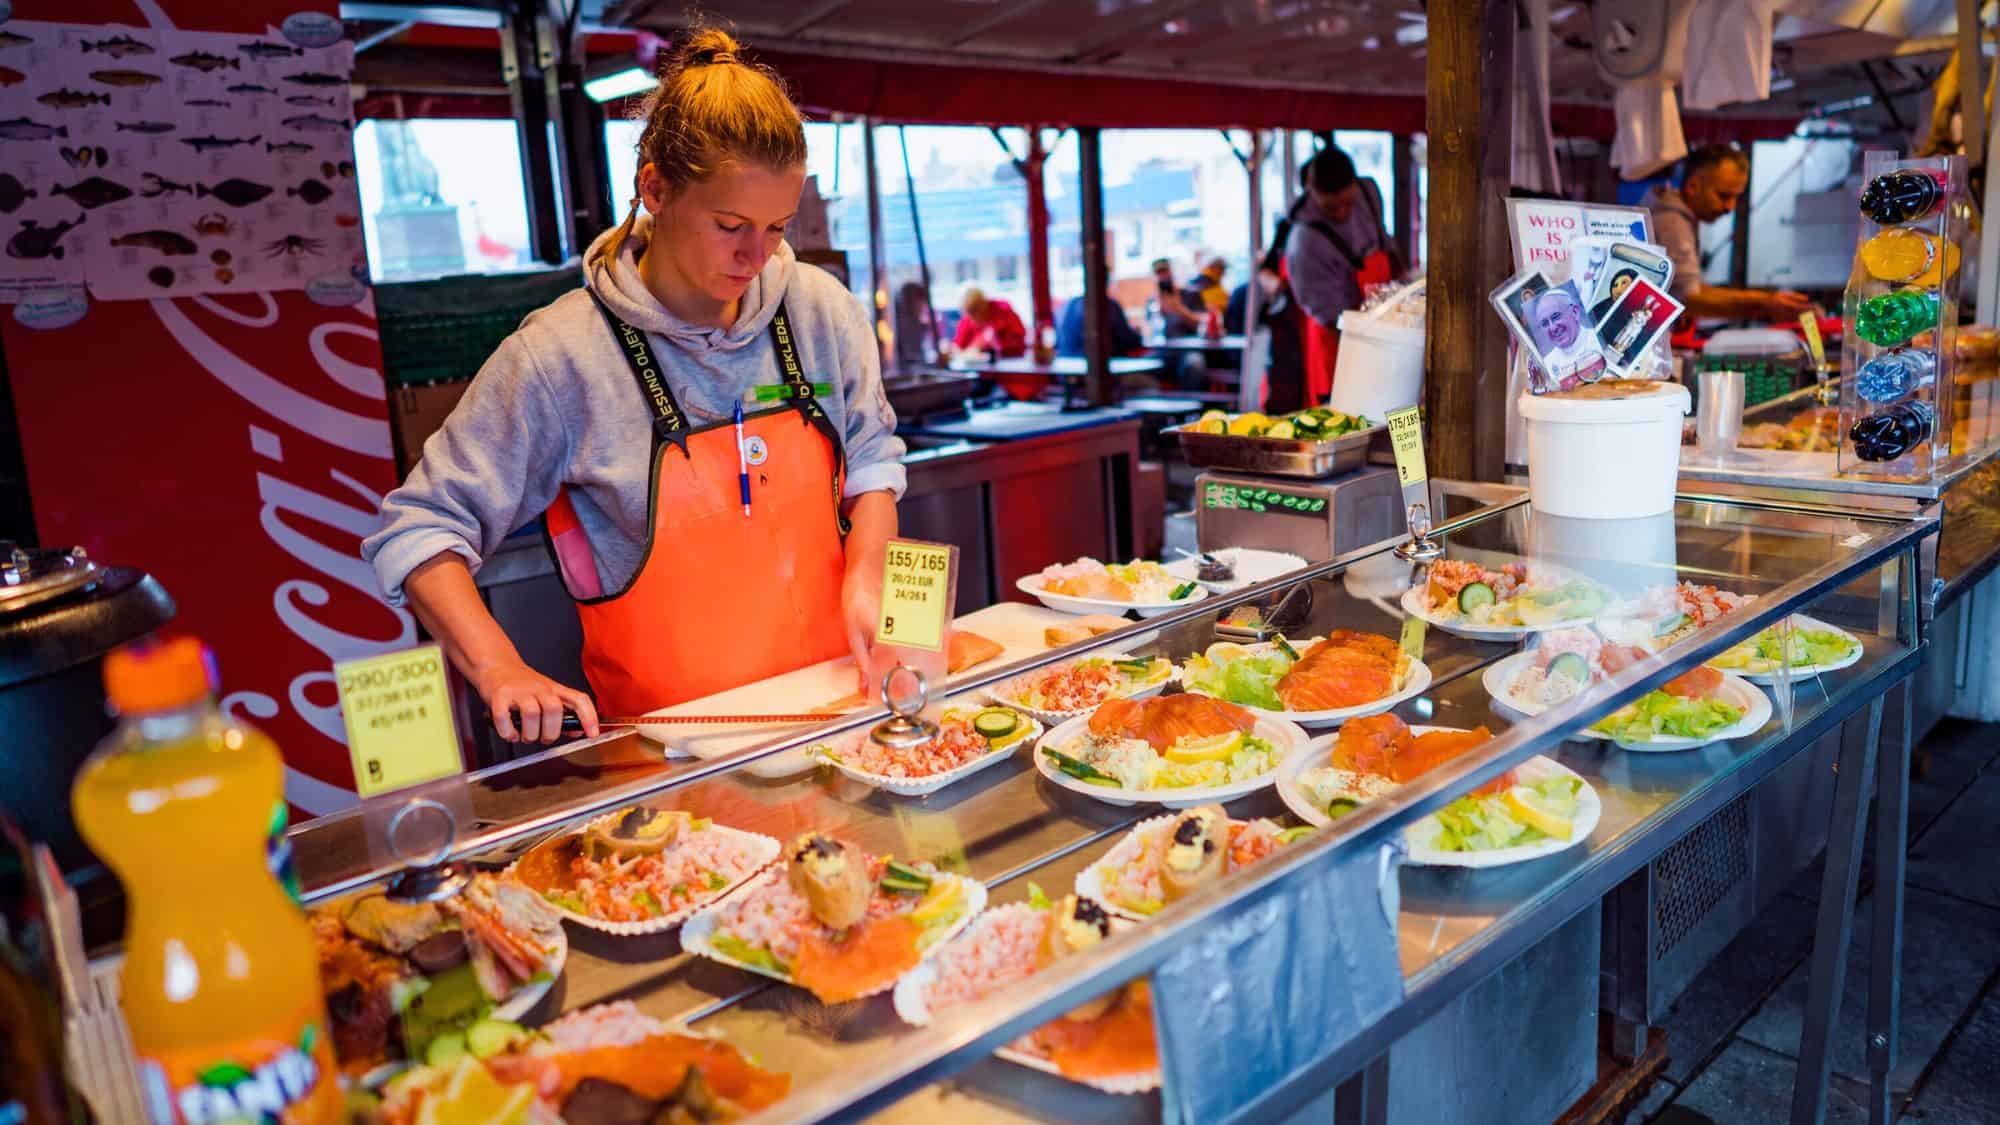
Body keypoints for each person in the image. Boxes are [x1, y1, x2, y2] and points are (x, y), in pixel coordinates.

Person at [362, 30, 906, 743]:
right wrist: (497, 664)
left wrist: (870, 573)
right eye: (730, 225)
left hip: (844, 723)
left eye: (777, 226)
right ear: (654, 187)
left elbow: (872, 460)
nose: (757, 254)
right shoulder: (562, 357)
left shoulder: (819, 308)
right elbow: (418, 526)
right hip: (673, 763)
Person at [1283, 145, 1403, 402]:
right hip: (1343, 340)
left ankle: (1408, 444)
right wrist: (1368, 350)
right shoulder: (1304, 242)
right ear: (1312, 192)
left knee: (1402, 409)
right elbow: (1330, 316)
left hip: (1392, 327)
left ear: (1356, 186)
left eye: (1347, 203)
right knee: (1353, 421)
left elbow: (1388, 247)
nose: (1341, 213)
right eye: (1331, 207)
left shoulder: (1369, 192)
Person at [1643, 144, 1813, 321]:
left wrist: (1766, 300)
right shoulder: (1673, 223)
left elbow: (1689, 287)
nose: (1730, 207)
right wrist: (1764, 305)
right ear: (1693, 186)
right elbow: (1688, 298)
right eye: (1723, 196)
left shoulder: (1675, 214)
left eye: (1736, 197)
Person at [1528, 287, 1607, 384]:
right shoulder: (1548, 362)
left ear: (1575, 312)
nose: (1552, 328)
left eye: (1556, 317)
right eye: (1545, 323)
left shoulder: (1600, 340)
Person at [1055, 292, 1143, 358]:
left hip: (1066, 373)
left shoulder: (1068, 305)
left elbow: (1058, 342)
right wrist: (1138, 334)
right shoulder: (1107, 304)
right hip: (1104, 373)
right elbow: (1128, 339)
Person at [952, 286, 1027, 357]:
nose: (972, 318)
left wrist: (994, 343)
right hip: (977, 366)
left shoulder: (1004, 312)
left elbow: (1019, 342)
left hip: (1008, 362)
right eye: (968, 313)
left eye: (974, 311)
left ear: (983, 304)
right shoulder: (967, 319)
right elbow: (958, 346)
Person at [1150, 258, 1201, 338]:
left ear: (1172, 271)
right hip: (1162, 346)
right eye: (1158, 273)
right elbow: (1151, 328)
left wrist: (1179, 309)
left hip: (1188, 343)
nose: (1162, 276)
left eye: (1165, 271)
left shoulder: (1190, 294)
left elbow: (1201, 324)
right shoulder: (1152, 301)